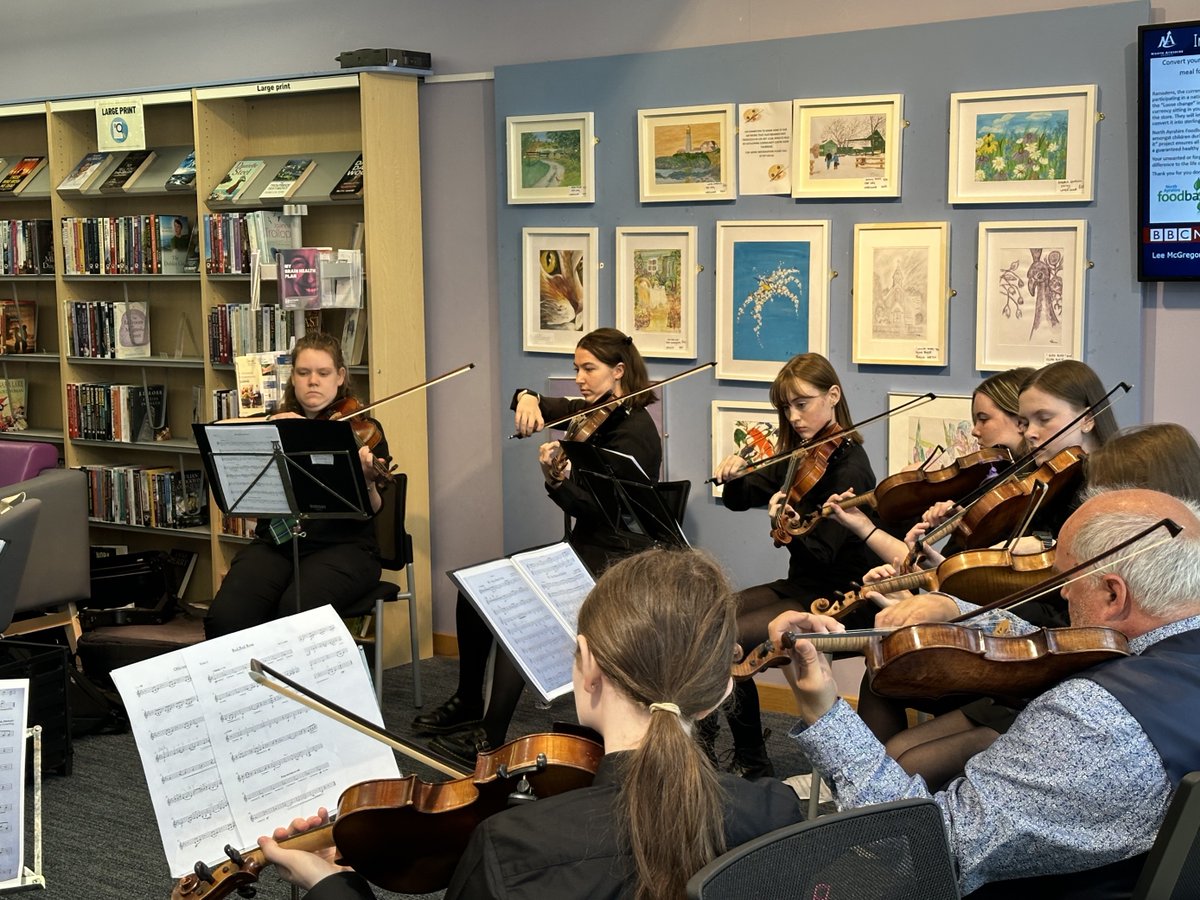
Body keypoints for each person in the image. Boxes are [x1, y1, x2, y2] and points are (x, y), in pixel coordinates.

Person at [258, 548, 805, 900]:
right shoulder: (776, 813)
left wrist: (333, 889)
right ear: (721, 692)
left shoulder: (510, 848)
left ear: (586, 664)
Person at [772, 487, 1200, 898]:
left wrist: (823, 711)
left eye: (1066, 578)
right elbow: (1063, 645)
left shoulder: (1094, 720)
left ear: (1112, 593)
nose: (1062, 591)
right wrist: (953, 611)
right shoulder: (1169, 654)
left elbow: (921, 847)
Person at [415, 327, 663, 767]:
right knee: (475, 589)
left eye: (589, 369)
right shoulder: (594, 411)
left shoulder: (635, 433)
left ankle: (490, 737)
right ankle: (468, 698)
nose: (580, 379)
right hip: (582, 545)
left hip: (617, 558)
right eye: (575, 369)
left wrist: (558, 479)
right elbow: (536, 401)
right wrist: (527, 397)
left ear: (619, 371)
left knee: (525, 612)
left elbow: (606, 514)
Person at [706, 352, 877, 777]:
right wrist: (736, 472)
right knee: (708, 621)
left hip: (843, 598)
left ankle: (752, 762)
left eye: (802, 403)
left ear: (832, 395)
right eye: (786, 407)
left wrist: (784, 523)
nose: (794, 415)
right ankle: (735, 752)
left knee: (729, 637)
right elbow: (737, 497)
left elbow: (824, 552)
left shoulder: (851, 464)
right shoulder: (803, 453)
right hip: (801, 584)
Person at [204, 332, 389, 638]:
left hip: (343, 548)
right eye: (304, 373)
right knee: (226, 619)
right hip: (278, 544)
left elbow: (373, 508)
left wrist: (369, 481)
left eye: (323, 373)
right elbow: (219, 431)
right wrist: (271, 423)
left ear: (340, 376)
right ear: (293, 378)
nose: (313, 381)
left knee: (294, 614)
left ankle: (295, 685)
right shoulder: (276, 424)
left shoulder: (362, 431)